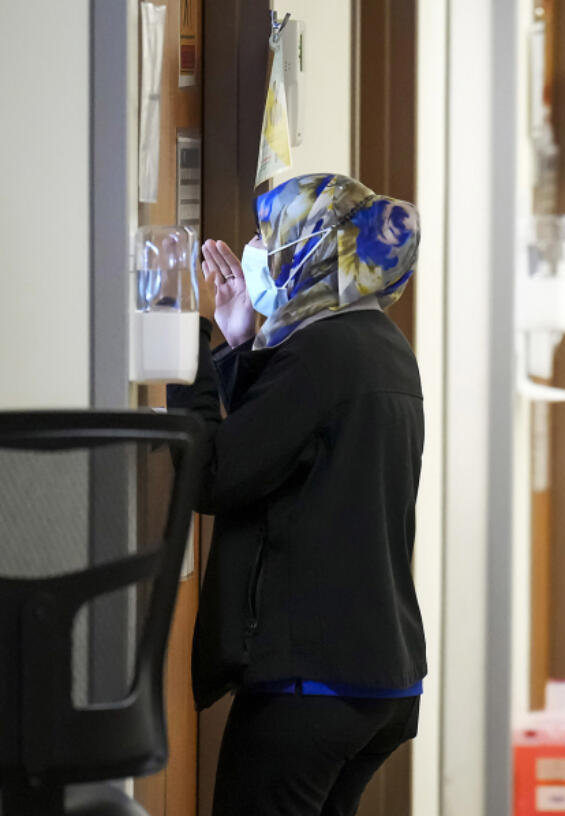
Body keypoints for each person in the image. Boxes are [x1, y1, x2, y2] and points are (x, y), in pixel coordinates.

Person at [168, 173, 425, 815]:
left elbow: (217, 474)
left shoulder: (323, 354)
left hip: (312, 683)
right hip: (377, 678)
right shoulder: (380, 347)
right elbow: (290, 445)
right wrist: (242, 343)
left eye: (270, 236)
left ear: (312, 252)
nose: (257, 249)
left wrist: (187, 352)